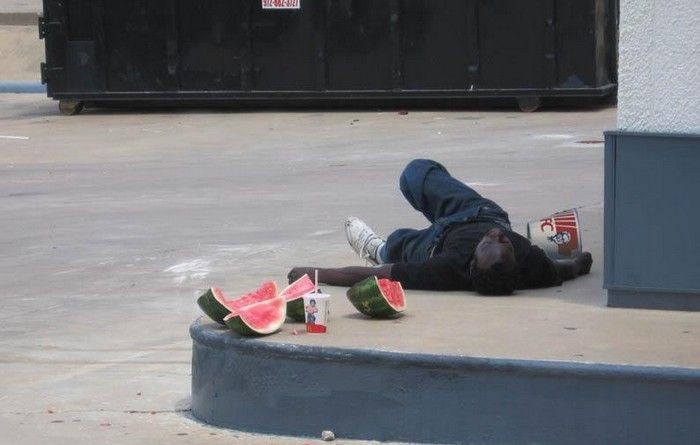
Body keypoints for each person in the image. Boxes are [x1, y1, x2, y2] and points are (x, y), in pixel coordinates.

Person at [288, 159, 592, 295]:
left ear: (471, 263)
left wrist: (313, 274)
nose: (496, 236)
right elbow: (568, 268)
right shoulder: (531, 262)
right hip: (482, 213)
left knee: (397, 244)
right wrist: (582, 262)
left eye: (490, 243)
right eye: (504, 241)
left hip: (438, 242)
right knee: (415, 172)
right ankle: (527, 232)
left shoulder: (446, 269)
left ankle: (379, 249)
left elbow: (378, 276)